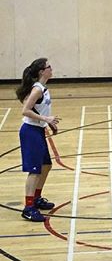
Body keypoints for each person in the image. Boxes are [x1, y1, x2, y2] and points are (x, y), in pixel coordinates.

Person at [16, 58, 60, 223]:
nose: (51, 68)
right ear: (42, 71)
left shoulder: (44, 88)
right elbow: (25, 110)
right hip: (30, 132)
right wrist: (46, 119)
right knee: (35, 170)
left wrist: (49, 124)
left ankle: (36, 198)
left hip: (38, 130)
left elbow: (41, 110)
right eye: (49, 67)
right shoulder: (37, 90)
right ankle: (28, 208)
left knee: (46, 165)